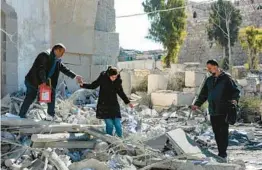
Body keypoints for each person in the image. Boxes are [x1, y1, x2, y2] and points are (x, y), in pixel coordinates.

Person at [191, 59, 240, 160]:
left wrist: (235, 100)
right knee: (216, 132)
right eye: (207, 68)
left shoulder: (226, 78)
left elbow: (235, 91)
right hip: (213, 110)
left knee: (223, 132)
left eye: (209, 68)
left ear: (216, 66)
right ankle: (220, 151)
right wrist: (197, 104)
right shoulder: (209, 80)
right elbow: (203, 94)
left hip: (224, 110)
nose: (208, 70)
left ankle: (223, 153)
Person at [19, 43, 83, 119]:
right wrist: (43, 83)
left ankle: (50, 115)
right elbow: (41, 70)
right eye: (61, 52)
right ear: (56, 50)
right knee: (30, 96)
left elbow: (65, 69)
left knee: (51, 94)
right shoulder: (44, 55)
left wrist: (75, 76)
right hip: (33, 81)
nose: (62, 55)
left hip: (45, 81)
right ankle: (21, 115)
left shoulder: (57, 60)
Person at [80, 66, 133, 137]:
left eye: (115, 77)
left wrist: (128, 102)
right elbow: (93, 85)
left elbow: (120, 92)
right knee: (110, 124)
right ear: (108, 75)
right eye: (112, 77)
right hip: (104, 105)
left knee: (117, 124)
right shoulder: (103, 78)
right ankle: (109, 141)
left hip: (114, 105)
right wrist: (83, 85)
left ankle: (121, 141)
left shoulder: (118, 80)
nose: (114, 79)